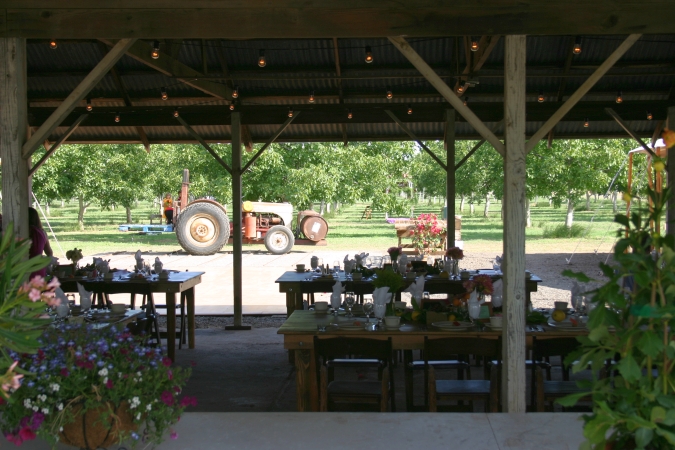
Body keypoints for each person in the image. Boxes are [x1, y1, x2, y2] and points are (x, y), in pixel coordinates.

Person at [28, 207, 53, 279]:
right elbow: (49, 253)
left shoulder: (24, 232)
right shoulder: (42, 232)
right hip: (39, 269)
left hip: (25, 269)